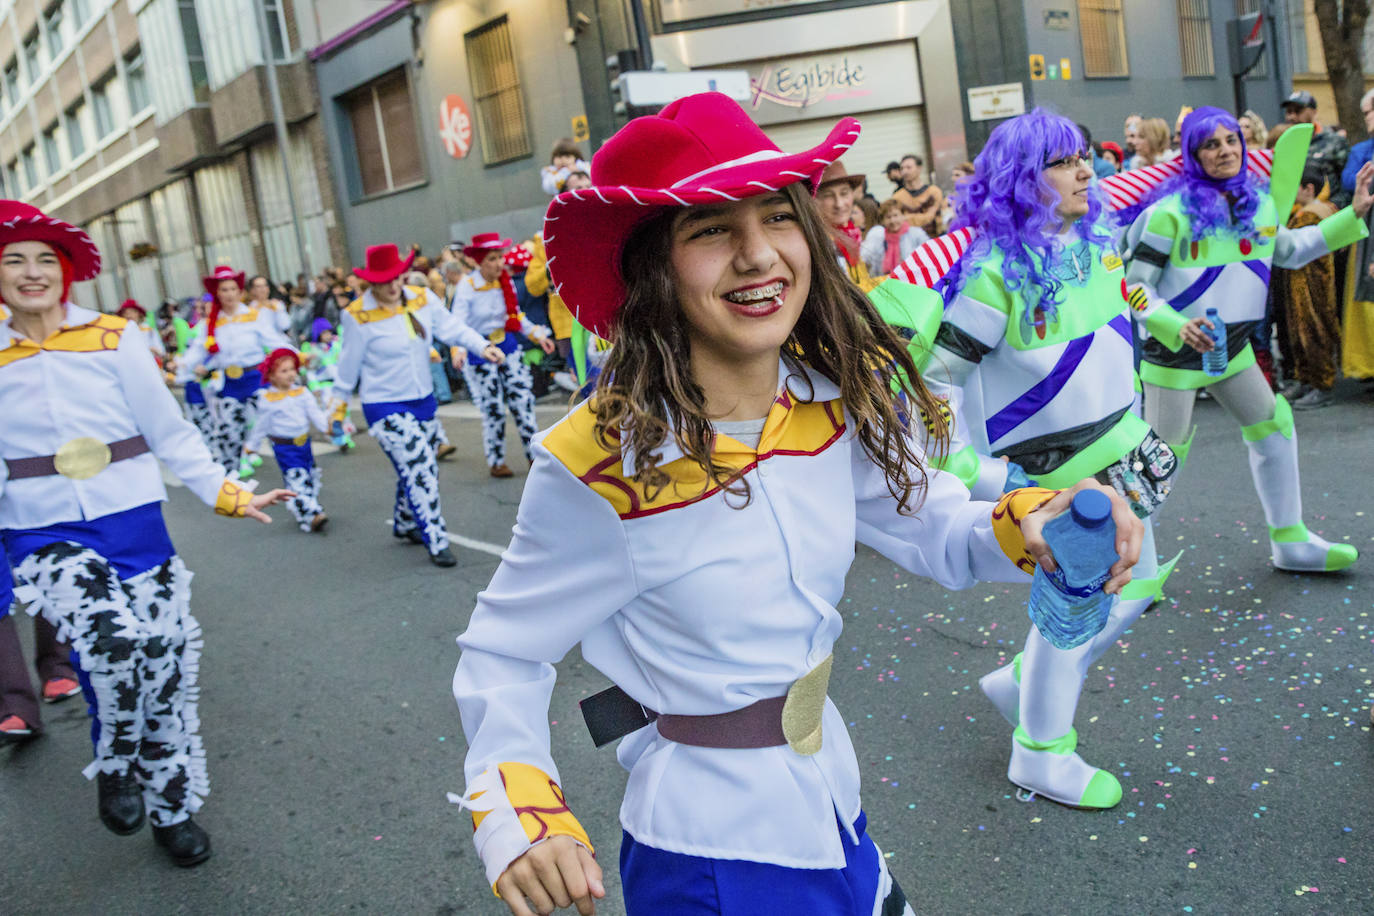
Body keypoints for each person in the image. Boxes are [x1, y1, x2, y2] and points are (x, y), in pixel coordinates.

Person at [450, 91, 1142, 916]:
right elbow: (502, 653)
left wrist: (1034, 521)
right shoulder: (596, 463)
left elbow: (937, 530)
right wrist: (522, 814)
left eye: (777, 218)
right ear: (652, 269)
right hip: (708, 856)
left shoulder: (832, 403)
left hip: (830, 799)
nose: (758, 257)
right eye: (710, 230)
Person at [0, 200, 291, 866]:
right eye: (14, 260)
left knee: (162, 661)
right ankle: (117, 763)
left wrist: (228, 492)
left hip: (132, 518)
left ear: (66, 271)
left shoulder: (113, 337)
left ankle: (173, 807)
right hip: (42, 531)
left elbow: (169, 433)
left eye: (45, 259)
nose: (31, 272)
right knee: (112, 638)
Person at [919, 107, 1180, 808]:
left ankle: (1021, 686)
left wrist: (1169, 323)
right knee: (1078, 607)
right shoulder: (994, 272)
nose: (1084, 169)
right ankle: (1039, 752)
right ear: (1018, 181)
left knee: (1131, 590)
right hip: (1058, 473)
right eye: (1062, 162)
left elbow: (1126, 303)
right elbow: (937, 378)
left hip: (1120, 452)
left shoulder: (1097, 243)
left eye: (1083, 156)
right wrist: (971, 468)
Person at [1121, 106, 1373, 573]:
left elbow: (1293, 252)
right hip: (1174, 355)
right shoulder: (1166, 216)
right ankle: (1133, 566)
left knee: (1273, 429)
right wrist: (1176, 326)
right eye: (1211, 145)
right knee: (1157, 462)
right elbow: (1134, 287)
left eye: (1232, 140)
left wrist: (1353, 214)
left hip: (1232, 350)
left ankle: (1290, 539)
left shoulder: (1258, 206)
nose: (1225, 151)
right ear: (1193, 155)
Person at [335, 244, 479, 566]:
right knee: (421, 464)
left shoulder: (422, 298)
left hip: (423, 401)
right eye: (383, 280)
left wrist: (482, 347)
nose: (392, 285)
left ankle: (405, 522)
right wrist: (337, 409)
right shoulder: (356, 315)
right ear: (371, 282)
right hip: (383, 405)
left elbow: (453, 329)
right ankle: (437, 538)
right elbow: (347, 367)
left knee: (415, 465)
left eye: (396, 277)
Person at [451, 233, 556, 477]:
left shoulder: (505, 281)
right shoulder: (467, 287)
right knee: (494, 409)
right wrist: (458, 350)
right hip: (481, 352)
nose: (499, 263)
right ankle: (496, 460)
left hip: (507, 347)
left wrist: (537, 335)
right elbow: (457, 324)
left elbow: (516, 316)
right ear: (479, 261)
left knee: (523, 402)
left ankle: (534, 457)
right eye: (492, 259)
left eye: (500, 257)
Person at [181, 266, 291, 475]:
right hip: (230, 385)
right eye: (224, 290)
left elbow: (276, 342)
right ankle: (232, 485)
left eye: (233, 289)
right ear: (217, 294)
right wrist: (180, 366)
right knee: (229, 437)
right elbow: (197, 350)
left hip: (257, 380)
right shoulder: (210, 324)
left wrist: (297, 357)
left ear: (240, 292)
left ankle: (296, 475)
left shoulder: (254, 316)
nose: (229, 294)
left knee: (279, 429)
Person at [1272, 171, 1341, 408]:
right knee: (1301, 333)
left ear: (1309, 188)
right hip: (1303, 281)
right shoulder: (1324, 208)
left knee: (1312, 332)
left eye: (1297, 188)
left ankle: (1321, 384)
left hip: (1311, 284)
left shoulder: (1311, 214)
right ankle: (1306, 380)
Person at [245, 347, 330, 532]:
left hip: (304, 444)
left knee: (310, 477)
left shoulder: (302, 392)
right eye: (284, 371)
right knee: (296, 479)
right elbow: (261, 425)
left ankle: (305, 512)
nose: (290, 374)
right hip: (285, 448)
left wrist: (328, 428)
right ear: (272, 376)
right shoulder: (267, 398)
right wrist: (253, 445)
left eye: (292, 369)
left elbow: (315, 414)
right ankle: (313, 514)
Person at [816, 162, 880, 290]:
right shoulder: (819, 243)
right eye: (828, 196)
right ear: (815, 200)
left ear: (852, 195)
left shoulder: (851, 233)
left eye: (844, 193)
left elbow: (861, 283)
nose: (839, 204)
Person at [1282, 90, 1350, 207]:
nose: (1292, 116)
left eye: (1298, 110)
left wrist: (1329, 207)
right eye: (1289, 111)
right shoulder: (1284, 145)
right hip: (1292, 216)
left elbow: (1347, 185)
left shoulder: (1334, 141)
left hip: (1329, 214)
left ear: (1314, 112)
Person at [861, 198, 929, 278]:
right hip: (888, 284)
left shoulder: (917, 234)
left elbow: (927, 257)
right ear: (883, 220)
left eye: (895, 215)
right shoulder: (880, 239)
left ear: (903, 216)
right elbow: (874, 266)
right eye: (888, 217)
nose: (892, 220)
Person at [888, 153, 944, 236]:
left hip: (934, 238)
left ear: (919, 168)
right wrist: (923, 216)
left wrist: (908, 218)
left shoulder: (934, 191)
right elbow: (898, 221)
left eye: (909, 167)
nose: (905, 171)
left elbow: (931, 217)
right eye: (902, 168)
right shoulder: (897, 197)